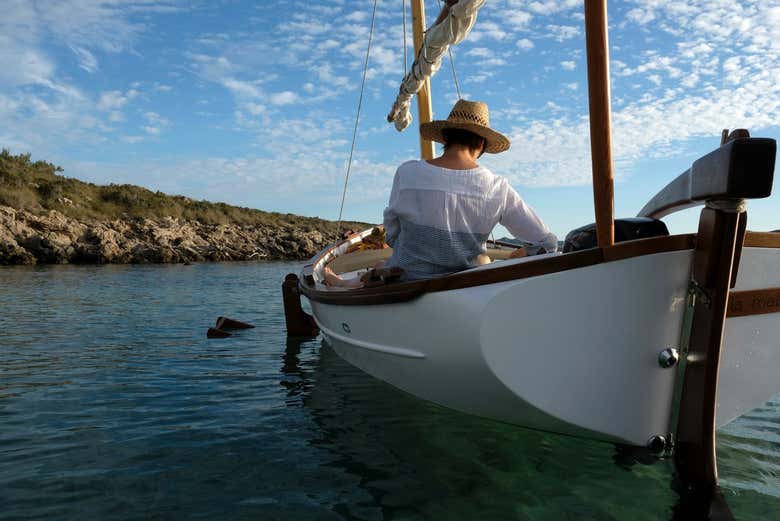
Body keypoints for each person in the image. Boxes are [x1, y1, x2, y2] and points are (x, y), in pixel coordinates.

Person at [324, 99, 556, 286]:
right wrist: (519, 256)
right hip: (463, 286)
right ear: (482, 145)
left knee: (383, 265)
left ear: (445, 137)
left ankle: (344, 284)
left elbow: (392, 234)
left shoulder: (408, 173)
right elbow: (546, 243)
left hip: (407, 281)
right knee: (482, 259)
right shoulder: (497, 187)